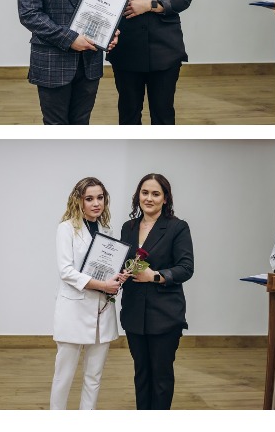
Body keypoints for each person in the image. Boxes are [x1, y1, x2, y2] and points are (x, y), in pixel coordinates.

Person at [119, 173, 194, 409]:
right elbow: (122, 263)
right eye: (145, 193)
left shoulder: (177, 227)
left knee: (161, 377)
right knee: (141, 374)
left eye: (155, 194)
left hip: (164, 315)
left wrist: (155, 276)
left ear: (165, 198)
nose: (149, 198)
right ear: (138, 196)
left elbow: (186, 268)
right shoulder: (128, 227)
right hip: (134, 313)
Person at [51, 177, 126, 409]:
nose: (96, 203)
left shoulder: (107, 230)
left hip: (102, 311)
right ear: (79, 201)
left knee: (94, 376)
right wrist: (103, 285)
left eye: (100, 198)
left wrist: (119, 277)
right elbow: (66, 271)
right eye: (89, 198)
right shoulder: (66, 228)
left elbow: (107, 268)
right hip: (74, 311)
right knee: (64, 376)